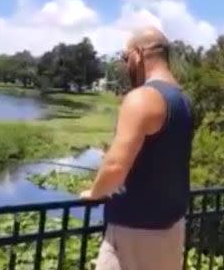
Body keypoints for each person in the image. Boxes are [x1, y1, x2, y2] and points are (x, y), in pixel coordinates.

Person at [79, 26, 194, 270]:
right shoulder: (184, 100)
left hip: (135, 232)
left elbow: (115, 166)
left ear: (138, 54)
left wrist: (94, 192)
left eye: (124, 58)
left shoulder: (143, 98)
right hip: (171, 228)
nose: (124, 65)